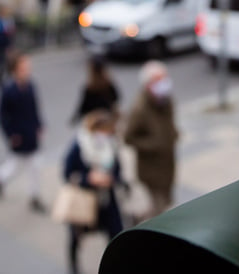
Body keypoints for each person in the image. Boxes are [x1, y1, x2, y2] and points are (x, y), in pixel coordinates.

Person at [63, 110, 125, 274]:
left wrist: (111, 179)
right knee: (76, 237)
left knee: (116, 233)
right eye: (103, 131)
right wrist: (88, 179)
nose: (106, 135)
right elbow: (67, 173)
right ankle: (73, 265)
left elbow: (118, 169)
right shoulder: (79, 147)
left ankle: (116, 264)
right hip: (85, 200)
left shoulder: (110, 144)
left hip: (106, 200)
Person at [123, 60, 179, 220]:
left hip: (167, 163)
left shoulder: (166, 100)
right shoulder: (139, 109)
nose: (164, 83)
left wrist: (173, 134)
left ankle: (137, 219)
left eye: (165, 78)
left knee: (164, 202)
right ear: (148, 84)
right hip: (151, 169)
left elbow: (169, 123)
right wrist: (153, 144)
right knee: (159, 210)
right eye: (158, 80)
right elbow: (128, 138)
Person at [0, 51, 46, 213]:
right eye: (24, 67)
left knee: (35, 166)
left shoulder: (30, 86)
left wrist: (39, 125)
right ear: (15, 70)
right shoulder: (8, 91)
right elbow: (1, 117)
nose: (28, 70)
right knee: (14, 166)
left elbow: (35, 109)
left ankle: (34, 197)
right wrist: (10, 134)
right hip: (18, 137)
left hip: (31, 134)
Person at [70, 57, 121, 125]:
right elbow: (117, 98)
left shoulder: (89, 87)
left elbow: (83, 106)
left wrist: (75, 117)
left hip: (93, 120)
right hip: (107, 118)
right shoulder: (108, 84)